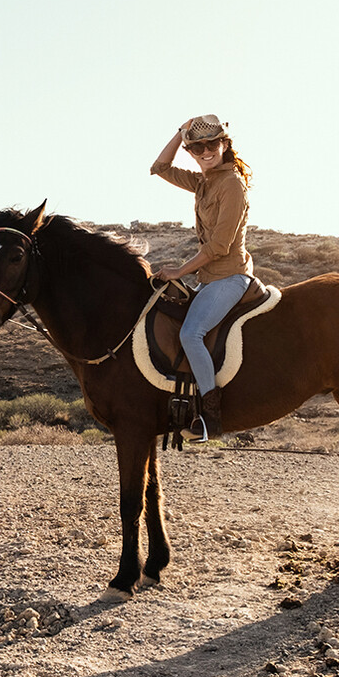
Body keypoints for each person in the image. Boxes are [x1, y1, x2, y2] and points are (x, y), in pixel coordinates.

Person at [148, 115, 255, 443]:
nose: (205, 151)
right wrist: (180, 134)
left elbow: (219, 246)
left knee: (191, 334)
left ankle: (210, 418)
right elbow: (160, 168)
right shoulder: (204, 182)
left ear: (225, 144)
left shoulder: (232, 185)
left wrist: (180, 271)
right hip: (209, 280)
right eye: (197, 147)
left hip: (230, 278)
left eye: (212, 144)